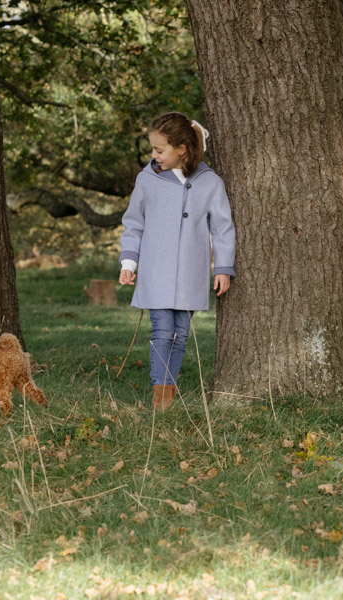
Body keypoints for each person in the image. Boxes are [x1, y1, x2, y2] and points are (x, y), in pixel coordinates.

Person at [118, 112, 236, 412]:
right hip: (155, 271)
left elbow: (223, 228)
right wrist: (129, 263)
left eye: (160, 150)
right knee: (161, 331)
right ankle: (161, 399)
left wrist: (223, 267)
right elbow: (134, 223)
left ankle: (168, 392)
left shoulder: (210, 183)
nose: (154, 155)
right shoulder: (147, 179)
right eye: (153, 149)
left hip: (191, 273)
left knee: (180, 334)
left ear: (181, 149)